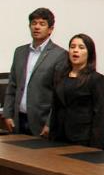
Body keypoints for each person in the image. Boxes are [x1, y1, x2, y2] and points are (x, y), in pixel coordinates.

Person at [4, 8, 67, 136]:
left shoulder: (60, 55)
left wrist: (50, 123)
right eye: (34, 23)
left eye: (42, 24)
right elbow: (12, 86)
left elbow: (59, 96)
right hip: (17, 119)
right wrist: (7, 114)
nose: (37, 27)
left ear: (50, 29)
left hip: (42, 122)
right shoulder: (20, 52)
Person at [44, 34, 104, 148]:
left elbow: (101, 114)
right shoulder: (61, 76)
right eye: (72, 47)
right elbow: (56, 107)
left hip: (82, 137)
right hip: (59, 136)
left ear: (89, 53)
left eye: (81, 47)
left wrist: (95, 145)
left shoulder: (95, 79)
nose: (75, 51)